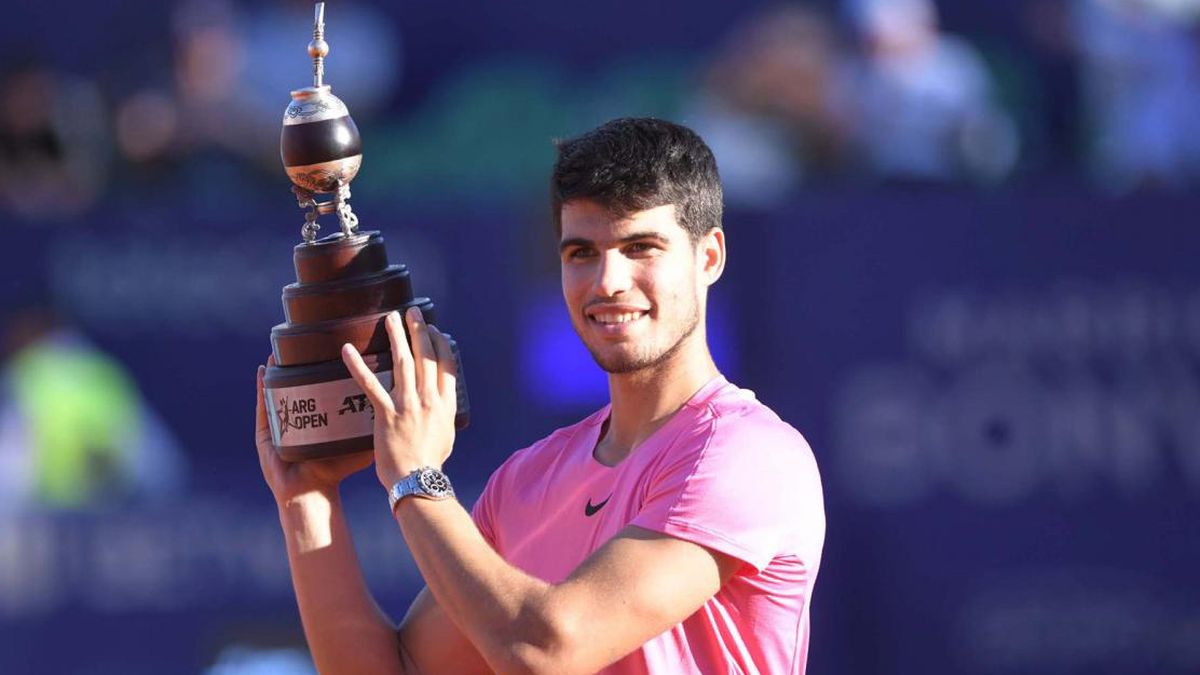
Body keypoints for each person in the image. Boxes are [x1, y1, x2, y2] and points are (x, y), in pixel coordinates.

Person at [254, 117, 826, 674]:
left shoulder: (748, 454)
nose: (607, 282)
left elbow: (544, 651)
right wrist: (307, 499)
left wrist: (415, 476)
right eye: (582, 253)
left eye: (641, 247)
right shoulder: (525, 482)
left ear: (709, 257)